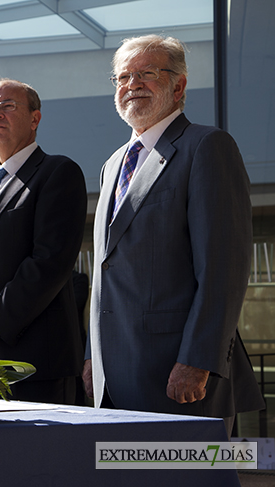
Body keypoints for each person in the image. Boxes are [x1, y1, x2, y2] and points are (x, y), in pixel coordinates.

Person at [84, 35, 264, 428]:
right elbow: (105, 272)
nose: (132, 85)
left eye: (147, 74)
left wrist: (199, 360)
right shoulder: (112, 164)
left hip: (178, 378)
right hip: (112, 380)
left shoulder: (207, 147)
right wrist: (91, 356)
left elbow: (223, 271)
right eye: (123, 77)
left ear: (179, 85)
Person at [0, 78, 87, 404]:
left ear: (35, 118)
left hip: (35, 365)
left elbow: (48, 264)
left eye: (8, 106)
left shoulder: (57, 173)